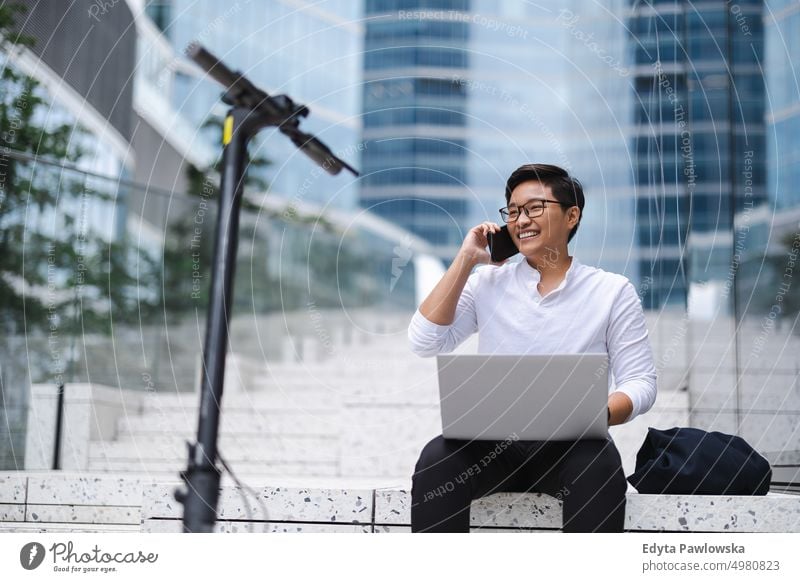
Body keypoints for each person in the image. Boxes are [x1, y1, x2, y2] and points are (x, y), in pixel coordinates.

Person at [407, 163, 658, 533]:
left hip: (571, 446)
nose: (520, 220)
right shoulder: (486, 283)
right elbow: (424, 340)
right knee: (436, 459)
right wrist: (466, 259)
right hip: (490, 446)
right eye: (513, 211)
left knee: (599, 465)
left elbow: (640, 382)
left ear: (572, 216)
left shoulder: (612, 291)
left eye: (534, 208)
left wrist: (594, 412)